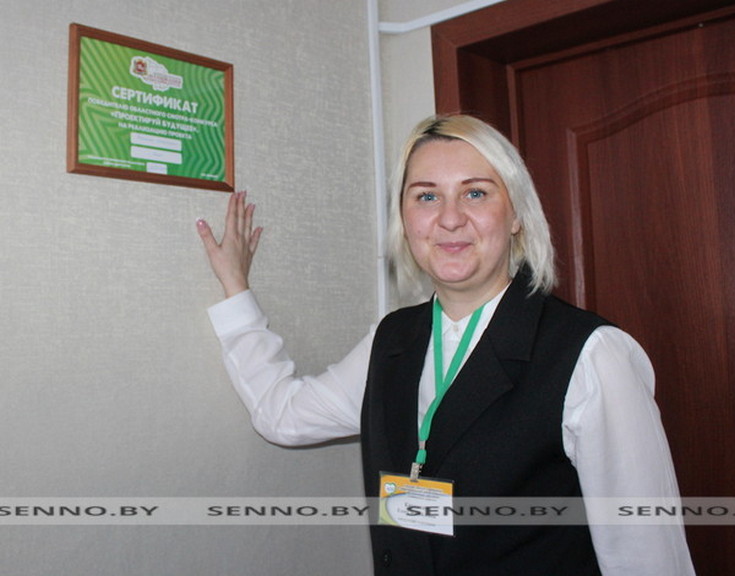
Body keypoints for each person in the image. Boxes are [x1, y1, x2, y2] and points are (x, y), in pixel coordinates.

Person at [196, 115, 696, 575]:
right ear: (405, 218)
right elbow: (283, 416)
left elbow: (647, 556)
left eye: (476, 193)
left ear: (516, 215)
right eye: (427, 196)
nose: (450, 218)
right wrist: (236, 291)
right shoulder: (391, 340)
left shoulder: (592, 355)